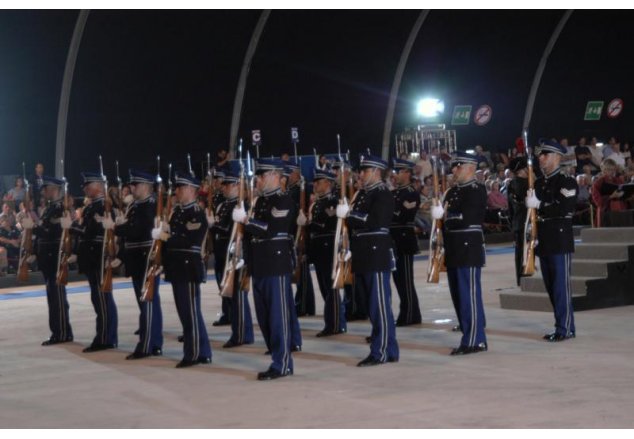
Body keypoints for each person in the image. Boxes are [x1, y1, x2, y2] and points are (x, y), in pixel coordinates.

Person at [232, 158, 296, 380]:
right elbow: (251, 236)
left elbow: (271, 229)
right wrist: (244, 257)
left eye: (261, 175)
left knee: (278, 317)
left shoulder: (284, 199)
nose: (257, 179)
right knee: (265, 317)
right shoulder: (259, 202)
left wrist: (246, 221)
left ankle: (283, 363)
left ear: (275, 176)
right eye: (258, 176)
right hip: (259, 265)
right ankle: (277, 358)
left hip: (276, 264)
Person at [339, 154, 399, 366]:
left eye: (364, 171)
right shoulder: (365, 194)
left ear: (375, 171)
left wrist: (350, 216)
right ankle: (388, 349)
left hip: (376, 253)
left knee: (379, 305)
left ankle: (380, 351)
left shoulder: (382, 193)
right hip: (365, 254)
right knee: (373, 305)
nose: (361, 174)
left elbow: (375, 221)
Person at [153, 172, 211, 368]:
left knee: (190, 313)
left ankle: (192, 353)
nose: (176, 191)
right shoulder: (177, 212)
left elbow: (189, 241)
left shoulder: (196, 212)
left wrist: (167, 236)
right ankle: (203, 351)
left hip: (188, 267)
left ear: (191, 190)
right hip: (177, 267)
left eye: (180, 187)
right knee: (186, 312)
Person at [433, 151, 488, 355]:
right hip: (454, 247)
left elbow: (468, 217)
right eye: (454, 166)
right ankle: (469, 331)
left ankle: (475, 340)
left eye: (459, 166)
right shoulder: (451, 192)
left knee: (469, 295)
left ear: (471, 168)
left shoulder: (476, 189)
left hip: (468, 247)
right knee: (458, 295)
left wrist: (446, 215)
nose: (454, 169)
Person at [525, 138, 578, 341]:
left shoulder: (566, 181)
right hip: (544, 240)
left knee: (560, 287)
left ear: (557, 157)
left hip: (559, 240)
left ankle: (564, 328)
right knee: (550, 287)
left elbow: (564, 208)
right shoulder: (538, 182)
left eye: (545, 154)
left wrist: (539, 204)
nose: (541, 158)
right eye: (540, 154)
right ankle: (563, 325)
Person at [110, 170, 163, 359]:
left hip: (145, 259)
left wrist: (116, 227)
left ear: (147, 186)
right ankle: (154, 341)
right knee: (147, 304)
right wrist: (122, 255)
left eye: (136, 185)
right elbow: (129, 236)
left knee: (147, 303)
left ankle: (147, 345)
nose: (132, 188)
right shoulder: (135, 206)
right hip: (136, 260)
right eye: (132, 185)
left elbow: (137, 230)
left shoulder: (150, 206)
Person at [67, 172, 118, 352]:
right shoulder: (91, 207)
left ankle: (106, 338)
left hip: (98, 257)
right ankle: (104, 335)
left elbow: (94, 233)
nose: (85, 188)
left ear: (98, 186)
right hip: (90, 257)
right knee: (98, 298)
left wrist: (73, 227)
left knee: (102, 298)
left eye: (88, 185)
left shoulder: (105, 206)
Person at [210, 169, 254, 348]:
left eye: (229, 185)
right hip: (223, 254)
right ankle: (238, 330)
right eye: (225, 185)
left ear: (238, 185)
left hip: (237, 256)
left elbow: (235, 232)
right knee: (230, 296)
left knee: (238, 297)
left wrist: (215, 227)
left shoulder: (243, 205)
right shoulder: (223, 205)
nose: (225, 188)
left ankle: (242, 333)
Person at [27, 176, 74, 345]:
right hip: (47, 258)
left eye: (46, 188)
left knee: (58, 297)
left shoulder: (62, 208)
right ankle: (58, 331)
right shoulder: (50, 208)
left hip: (55, 257)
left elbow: (51, 233)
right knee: (53, 296)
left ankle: (62, 332)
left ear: (54, 189)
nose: (43, 192)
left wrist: (34, 227)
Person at [306, 168, 346, 337]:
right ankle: (331, 321)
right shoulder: (315, 204)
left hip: (329, 248)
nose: (315, 185)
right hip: (318, 250)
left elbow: (328, 225)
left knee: (331, 289)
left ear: (328, 183)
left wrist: (309, 224)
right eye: (315, 182)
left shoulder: (335, 202)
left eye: (319, 182)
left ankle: (337, 323)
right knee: (324, 288)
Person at [389, 158, 422, 327]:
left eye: (400, 171)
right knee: (398, 280)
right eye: (396, 171)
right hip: (394, 240)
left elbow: (404, 216)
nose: (396, 174)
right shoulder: (394, 193)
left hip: (404, 239)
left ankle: (411, 314)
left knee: (406, 280)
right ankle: (407, 312)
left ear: (408, 173)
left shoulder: (411, 193)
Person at [285, 160, 315, 317]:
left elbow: (307, 208)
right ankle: (305, 303)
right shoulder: (290, 190)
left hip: (300, 232)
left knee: (301, 272)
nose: (288, 176)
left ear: (296, 173)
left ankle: (303, 304)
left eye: (291, 173)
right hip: (293, 232)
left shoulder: (301, 189)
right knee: (299, 272)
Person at [506, 157, 529, 287]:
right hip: (523, 221)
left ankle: (523, 276)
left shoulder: (515, 183)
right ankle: (522, 276)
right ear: (522, 170)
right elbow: (517, 205)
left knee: (522, 251)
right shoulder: (518, 183)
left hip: (519, 221)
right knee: (522, 252)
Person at [591, 158, 628, 227]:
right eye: (609, 169)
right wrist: (611, 196)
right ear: (603, 170)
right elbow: (597, 201)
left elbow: (625, 194)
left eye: (613, 170)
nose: (612, 172)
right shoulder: (598, 183)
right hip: (606, 211)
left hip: (620, 209)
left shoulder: (618, 180)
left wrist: (627, 194)